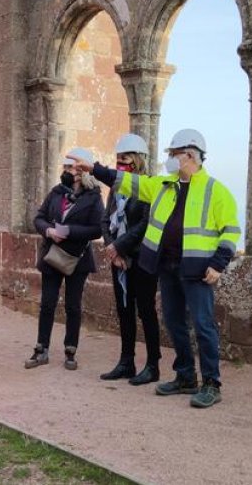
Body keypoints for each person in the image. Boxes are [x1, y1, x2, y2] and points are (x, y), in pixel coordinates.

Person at [69, 128, 239, 409]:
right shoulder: (164, 184)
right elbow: (129, 183)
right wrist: (96, 169)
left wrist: (218, 264)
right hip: (169, 268)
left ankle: (211, 383)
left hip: (198, 271)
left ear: (190, 155)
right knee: (174, 323)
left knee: (203, 326)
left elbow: (230, 231)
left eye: (174, 154)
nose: (170, 159)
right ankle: (185, 376)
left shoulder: (215, 191)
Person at [24, 148, 105, 370]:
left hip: (77, 258)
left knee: (73, 305)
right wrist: (49, 231)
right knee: (47, 303)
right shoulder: (56, 192)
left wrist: (69, 230)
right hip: (52, 255)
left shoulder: (94, 197)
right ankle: (41, 349)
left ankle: (71, 350)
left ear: (82, 171)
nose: (67, 171)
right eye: (66, 167)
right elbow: (39, 218)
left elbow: (97, 229)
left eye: (71, 167)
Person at [98, 133, 161, 385]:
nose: (121, 163)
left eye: (126, 158)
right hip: (120, 259)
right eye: (118, 159)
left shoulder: (149, 185)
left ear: (138, 160)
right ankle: (126, 361)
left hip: (142, 258)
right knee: (124, 310)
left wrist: (120, 247)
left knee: (146, 310)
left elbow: (146, 222)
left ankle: (153, 364)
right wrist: (112, 249)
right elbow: (106, 220)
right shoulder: (116, 188)